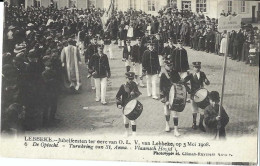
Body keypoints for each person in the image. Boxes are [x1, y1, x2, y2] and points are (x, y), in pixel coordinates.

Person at [183, 62, 210, 132]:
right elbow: (183, 81)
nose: (197, 69)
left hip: (202, 95)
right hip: (193, 95)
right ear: (193, 68)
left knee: (202, 110)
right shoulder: (191, 75)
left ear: (200, 67)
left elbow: (207, 82)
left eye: (198, 67)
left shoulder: (202, 74)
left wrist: (207, 81)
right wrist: (188, 89)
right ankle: (194, 122)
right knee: (194, 110)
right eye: (195, 67)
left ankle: (201, 124)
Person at [159, 55, 182, 136]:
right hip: (166, 95)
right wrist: (163, 97)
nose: (170, 67)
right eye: (168, 65)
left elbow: (179, 82)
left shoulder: (175, 72)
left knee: (175, 112)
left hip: (174, 95)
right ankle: (167, 125)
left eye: (171, 65)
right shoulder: (163, 75)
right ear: (165, 65)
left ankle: (176, 129)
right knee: (167, 111)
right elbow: (161, 87)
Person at [116, 72, 142, 136]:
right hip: (125, 105)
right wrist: (119, 104)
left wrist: (135, 93)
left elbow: (138, 93)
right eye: (129, 79)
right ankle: (127, 132)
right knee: (125, 120)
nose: (130, 80)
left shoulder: (134, 85)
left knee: (133, 119)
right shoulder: (123, 86)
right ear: (126, 78)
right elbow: (118, 96)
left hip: (132, 105)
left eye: (132, 79)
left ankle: (134, 133)